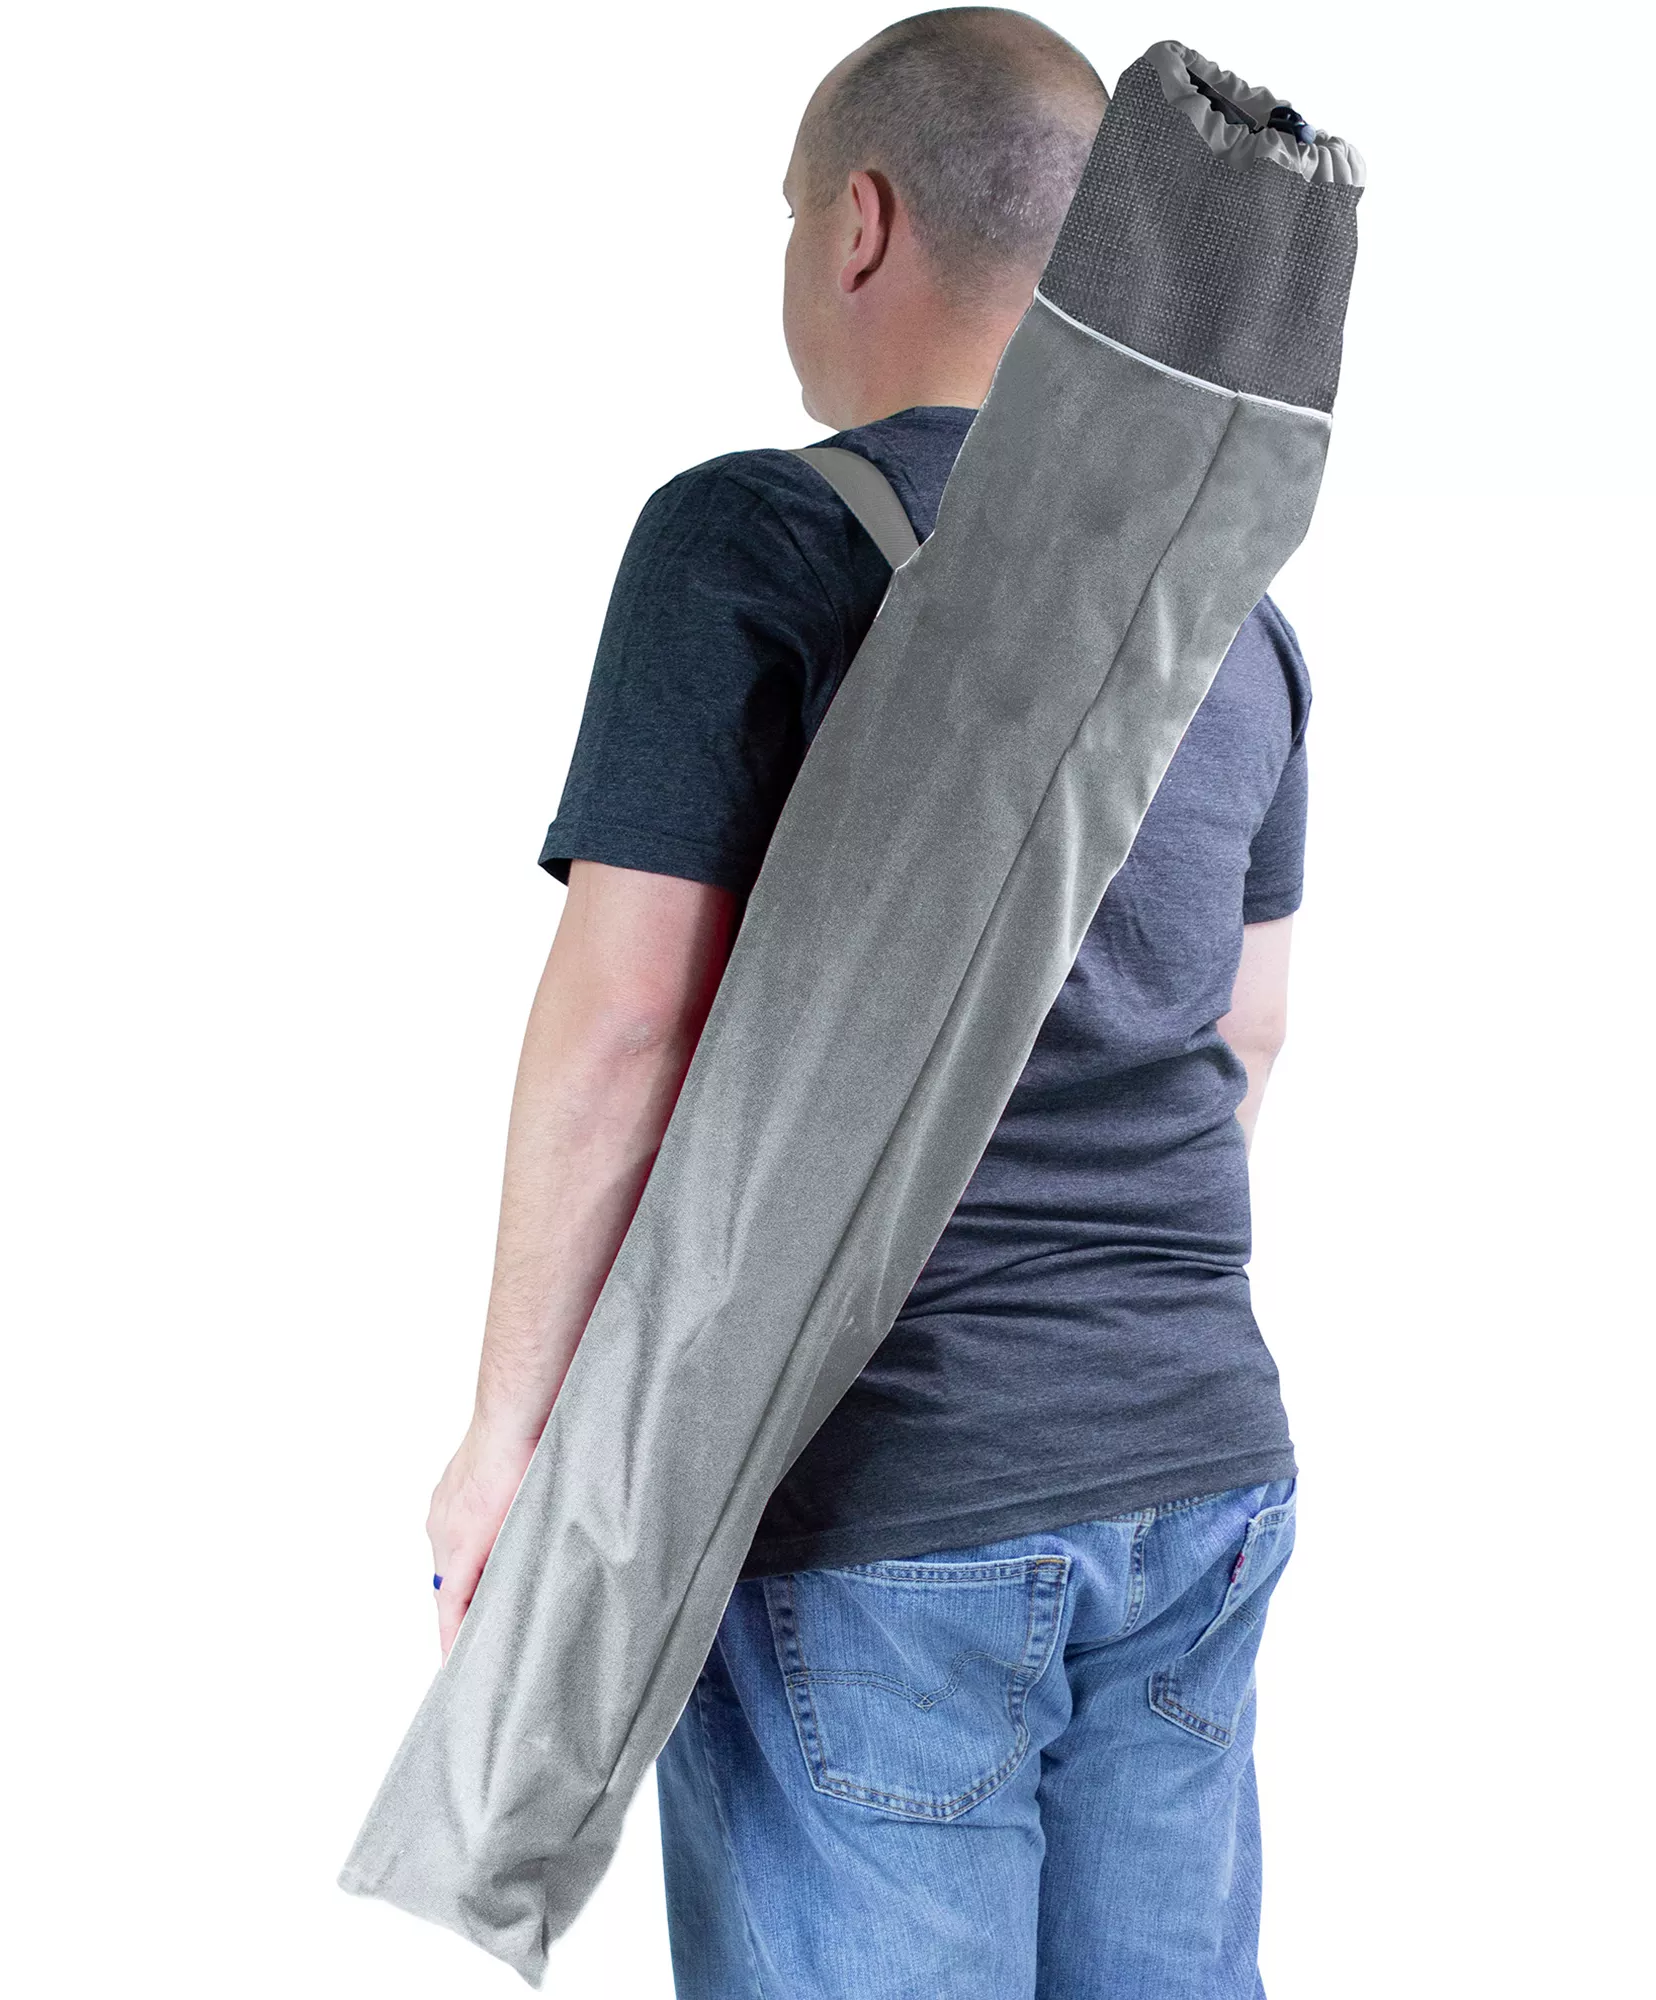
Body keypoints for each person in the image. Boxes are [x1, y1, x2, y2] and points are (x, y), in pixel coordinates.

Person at [426, 10, 1313, 1994]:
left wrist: (507, 1445)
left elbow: (628, 1023)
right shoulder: (1228, 612)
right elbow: (1240, 1036)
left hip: (878, 1494)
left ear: (860, 224)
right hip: (1195, 1468)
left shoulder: (755, 537)